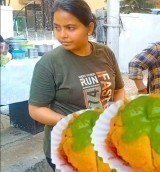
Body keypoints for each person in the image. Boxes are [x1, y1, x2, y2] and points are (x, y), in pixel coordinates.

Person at [28, 0, 125, 170]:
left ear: (90, 28)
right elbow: (36, 109)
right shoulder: (49, 63)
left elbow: (118, 90)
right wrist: (71, 122)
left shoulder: (105, 53)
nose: (62, 35)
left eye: (70, 28)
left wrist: (115, 113)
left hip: (101, 141)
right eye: (57, 27)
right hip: (67, 145)